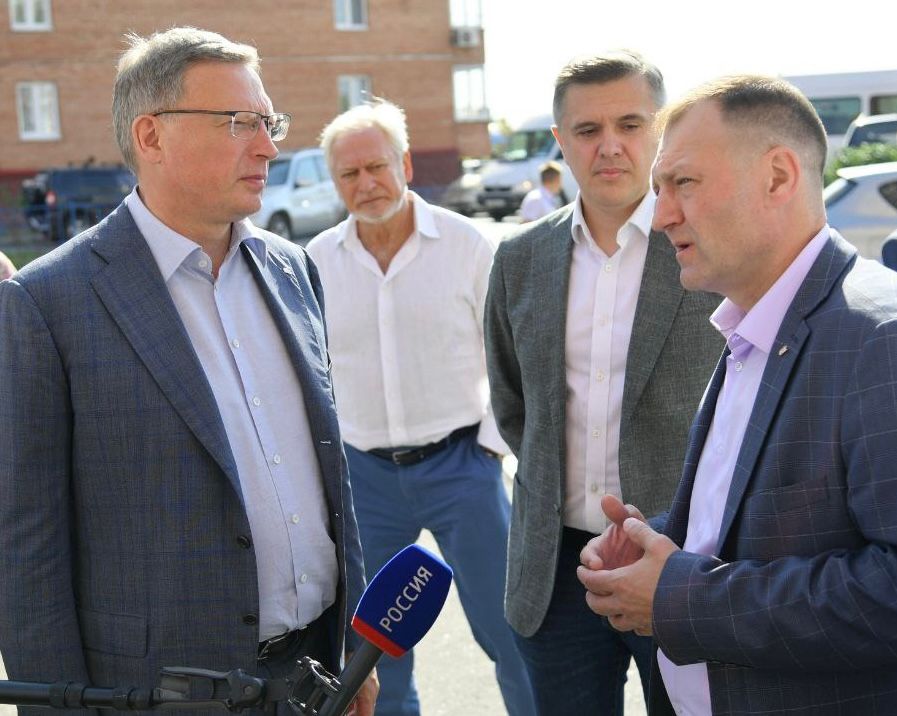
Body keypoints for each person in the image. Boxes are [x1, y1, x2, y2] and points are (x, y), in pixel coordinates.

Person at [0, 27, 375, 715]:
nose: (267, 147)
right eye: (238, 122)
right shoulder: (46, 302)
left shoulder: (294, 270)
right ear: (151, 136)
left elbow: (328, 473)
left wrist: (355, 648)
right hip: (157, 692)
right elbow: (27, 546)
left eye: (268, 123)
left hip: (316, 672)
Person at [578, 75, 897, 716]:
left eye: (684, 183)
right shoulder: (751, 326)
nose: (661, 215)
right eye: (660, 189)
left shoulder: (878, 336)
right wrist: (655, 540)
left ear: (777, 177)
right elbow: (758, 522)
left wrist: (676, 595)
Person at [484, 51, 722, 715]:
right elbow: (513, 404)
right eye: (587, 130)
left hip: (680, 559)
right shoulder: (519, 257)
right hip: (555, 571)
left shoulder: (709, 247)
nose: (609, 145)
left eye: (629, 124)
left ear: (660, 130)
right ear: (560, 141)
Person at [306, 99, 535, 716]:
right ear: (334, 181)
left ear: (405, 164)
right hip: (364, 479)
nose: (366, 183)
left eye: (376, 166)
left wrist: (491, 445)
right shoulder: (314, 262)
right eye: (349, 173)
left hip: (462, 466)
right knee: (373, 655)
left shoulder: (467, 246)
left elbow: (514, 355)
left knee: (510, 633)